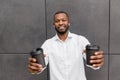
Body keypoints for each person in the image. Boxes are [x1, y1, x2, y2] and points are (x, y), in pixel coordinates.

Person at [28, 11, 104, 80]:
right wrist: (35, 68)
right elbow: (40, 66)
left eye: (63, 20)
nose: (60, 23)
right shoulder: (48, 44)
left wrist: (96, 63)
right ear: (54, 24)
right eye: (57, 21)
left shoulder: (81, 40)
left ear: (68, 23)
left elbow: (92, 61)